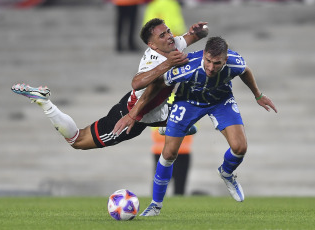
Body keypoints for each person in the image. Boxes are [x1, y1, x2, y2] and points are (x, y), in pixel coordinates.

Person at [113, 36, 278, 216]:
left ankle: (226, 173)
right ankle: (155, 204)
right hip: (187, 102)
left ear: (225, 59)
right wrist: (133, 113)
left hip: (220, 101)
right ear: (204, 55)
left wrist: (258, 95)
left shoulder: (234, 62)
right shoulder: (188, 66)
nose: (211, 67)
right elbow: (156, 85)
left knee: (240, 147)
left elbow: (245, 70)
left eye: (217, 63)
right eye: (208, 61)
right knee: (168, 153)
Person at [11, 18, 208, 151]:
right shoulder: (153, 60)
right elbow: (137, 82)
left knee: (191, 120)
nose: (169, 36)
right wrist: (168, 64)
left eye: (168, 31)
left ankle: (166, 125)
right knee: (78, 141)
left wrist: (199, 30)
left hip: (154, 110)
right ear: (152, 45)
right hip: (131, 115)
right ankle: (45, 103)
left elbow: (197, 35)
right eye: (162, 35)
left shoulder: (173, 44)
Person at [151, 93, 193, 196]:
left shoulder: (158, 100)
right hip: (181, 149)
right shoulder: (188, 100)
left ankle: (156, 204)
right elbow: (193, 126)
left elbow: (154, 127)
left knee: (160, 182)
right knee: (179, 185)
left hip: (162, 149)